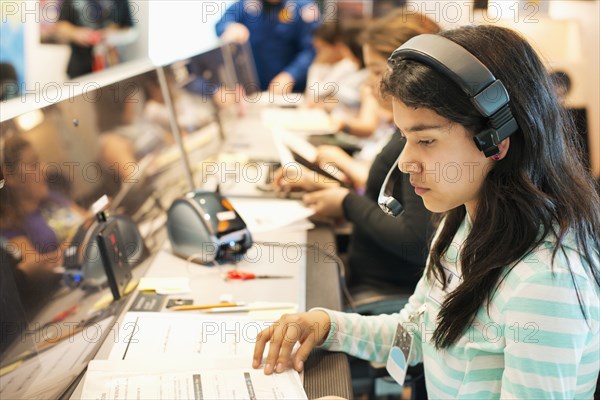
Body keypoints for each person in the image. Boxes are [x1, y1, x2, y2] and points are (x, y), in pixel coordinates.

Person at [253, 25, 600, 398]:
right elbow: (416, 333)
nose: (404, 163)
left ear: (494, 143)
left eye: (426, 141)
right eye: (405, 138)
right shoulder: (462, 224)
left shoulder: (544, 281)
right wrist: (325, 325)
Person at [275, 10, 439, 292]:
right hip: (368, 277)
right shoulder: (405, 134)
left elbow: (414, 240)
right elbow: (389, 204)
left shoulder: (417, 142)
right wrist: (326, 186)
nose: (367, 83)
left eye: (375, 71)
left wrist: (346, 203)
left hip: (381, 290)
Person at [0, 136, 87, 273]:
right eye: (34, 165)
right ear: (10, 177)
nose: (45, 169)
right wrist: (78, 241)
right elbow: (36, 270)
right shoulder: (10, 226)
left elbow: (88, 219)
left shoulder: (53, 198)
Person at [215, 0, 320, 95]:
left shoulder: (304, 8)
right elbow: (220, 24)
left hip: (291, 93)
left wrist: (291, 75)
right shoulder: (246, 5)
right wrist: (229, 27)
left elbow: (312, 50)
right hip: (253, 90)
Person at [56, 0, 134, 78]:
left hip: (113, 66)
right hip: (80, 68)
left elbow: (131, 30)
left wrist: (112, 35)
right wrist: (75, 33)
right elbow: (60, 25)